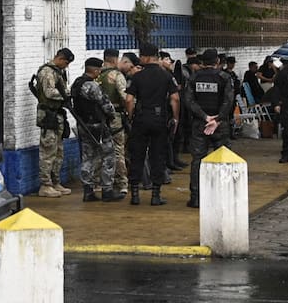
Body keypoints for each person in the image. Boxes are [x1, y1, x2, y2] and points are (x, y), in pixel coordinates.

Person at [124, 43, 180, 206]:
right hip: (159, 119)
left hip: (141, 119)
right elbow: (175, 99)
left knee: (137, 155)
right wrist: (175, 118)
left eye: (141, 56)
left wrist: (131, 116)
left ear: (147, 57)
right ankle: (156, 195)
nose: (140, 59)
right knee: (158, 156)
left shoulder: (137, 77)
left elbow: (129, 100)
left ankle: (135, 195)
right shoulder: (166, 76)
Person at [181, 48, 235, 208]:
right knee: (224, 159)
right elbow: (228, 101)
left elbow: (189, 101)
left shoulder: (194, 77)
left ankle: (196, 197)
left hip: (200, 124)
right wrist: (217, 119)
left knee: (197, 160)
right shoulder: (224, 77)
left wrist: (205, 117)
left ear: (202, 62)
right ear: (217, 61)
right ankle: (223, 195)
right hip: (220, 124)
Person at [71, 57, 119, 202]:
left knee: (87, 157)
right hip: (98, 126)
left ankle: (88, 191)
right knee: (109, 156)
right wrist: (112, 116)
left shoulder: (77, 84)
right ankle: (107, 190)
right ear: (96, 70)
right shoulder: (92, 86)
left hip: (83, 125)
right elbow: (106, 105)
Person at [33, 48, 75, 197]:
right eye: (66, 62)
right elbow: (49, 92)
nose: (67, 66)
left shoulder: (57, 72)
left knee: (58, 151)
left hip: (57, 115)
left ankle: (55, 182)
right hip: (48, 116)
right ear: (60, 58)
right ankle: (45, 185)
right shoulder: (47, 72)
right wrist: (68, 94)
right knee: (48, 151)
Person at [98, 48, 130, 199]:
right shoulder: (116, 75)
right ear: (115, 59)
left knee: (101, 151)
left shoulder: (96, 74)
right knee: (118, 150)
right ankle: (121, 183)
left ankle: (101, 182)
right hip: (115, 117)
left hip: (98, 118)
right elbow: (125, 97)